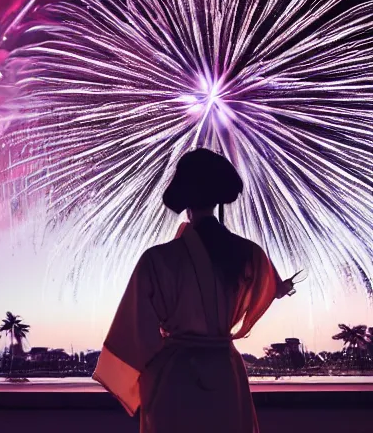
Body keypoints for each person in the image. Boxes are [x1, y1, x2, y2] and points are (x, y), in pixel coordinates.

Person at [93, 149, 301, 433]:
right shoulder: (248, 254)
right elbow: (269, 288)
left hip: (174, 380)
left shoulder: (157, 259)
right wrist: (280, 288)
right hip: (226, 377)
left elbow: (135, 333)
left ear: (184, 199)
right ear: (218, 198)